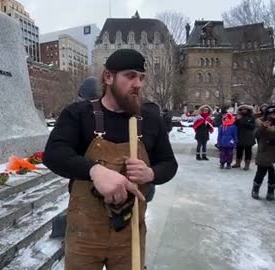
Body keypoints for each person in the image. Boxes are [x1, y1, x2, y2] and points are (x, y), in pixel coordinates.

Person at [43, 48, 178, 269]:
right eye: (130, 75)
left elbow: (169, 164)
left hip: (130, 235)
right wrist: (95, 171)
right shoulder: (78, 114)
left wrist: (151, 173)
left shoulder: (150, 119)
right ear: (108, 77)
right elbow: (54, 154)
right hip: (84, 235)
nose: (138, 84)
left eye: (141, 77)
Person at [251, 106, 275, 201]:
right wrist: (263, 127)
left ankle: (270, 191)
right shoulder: (260, 121)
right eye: (271, 114)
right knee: (260, 173)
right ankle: (255, 190)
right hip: (264, 151)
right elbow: (255, 134)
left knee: (273, 175)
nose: (273, 116)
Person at [233, 105, 256, 170]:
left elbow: (253, 126)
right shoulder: (238, 116)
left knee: (248, 151)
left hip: (248, 137)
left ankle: (247, 165)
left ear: (248, 110)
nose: (244, 110)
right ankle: (238, 163)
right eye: (242, 109)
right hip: (240, 135)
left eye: (245, 109)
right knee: (239, 150)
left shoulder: (251, 117)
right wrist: (237, 120)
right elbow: (234, 124)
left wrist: (243, 122)